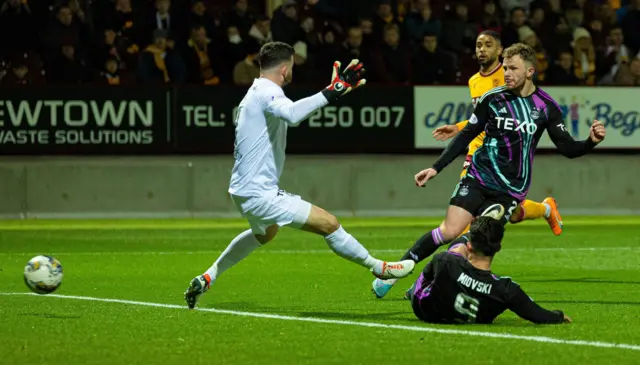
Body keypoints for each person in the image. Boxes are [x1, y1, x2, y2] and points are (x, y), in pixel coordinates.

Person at [184, 41, 415, 309]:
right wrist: (332, 91)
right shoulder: (267, 91)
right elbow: (292, 115)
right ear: (285, 68)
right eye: (293, 65)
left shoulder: (255, 91)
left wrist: (332, 94)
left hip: (243, 190)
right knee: (329, 223)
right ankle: (379, 267)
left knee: (264, 234)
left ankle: (208, 277)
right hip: (260, 193)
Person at [374, 42, 606, 299]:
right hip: (477, 177)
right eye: (505, 68)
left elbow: (568, 148)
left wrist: (590, 142)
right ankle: (396, 271)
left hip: (509, 191)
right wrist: (435, 168)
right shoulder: (492, 99)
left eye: (513, 68)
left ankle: (424, 282)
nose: (506, 73)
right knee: (449, 231)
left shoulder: (545, 107)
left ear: (529, 72)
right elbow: (465, 136)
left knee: (474, 238)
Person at [409, 211, 572, 325]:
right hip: (474, 316)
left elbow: (428, 274)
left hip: (425, 310)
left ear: (470, 246)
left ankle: (410, 291)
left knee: (453, 252)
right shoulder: (507, 290)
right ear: (498, 248)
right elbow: (537, 314)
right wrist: (558, 316)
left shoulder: (446, 261)